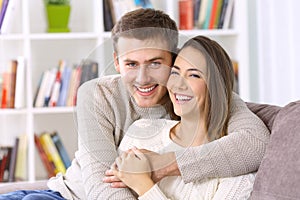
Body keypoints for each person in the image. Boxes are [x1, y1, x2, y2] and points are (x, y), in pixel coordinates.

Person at [0, 8, 269, 200]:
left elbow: (255, 144)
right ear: (116, 62)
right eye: (131, 64)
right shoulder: (97, 95)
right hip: (65, 195)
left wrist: (162, 165)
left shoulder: (198, 95)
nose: (143, 79)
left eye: (155, 63)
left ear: (174, 58)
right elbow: (105, 186)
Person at [110, 35, 258, 199]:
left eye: (194, 75)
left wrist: (143, 185)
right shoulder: (142, 130)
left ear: (216, 87)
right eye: (175, 72)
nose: (179, 84)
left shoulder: (236, 169)